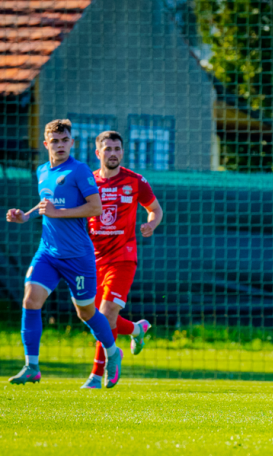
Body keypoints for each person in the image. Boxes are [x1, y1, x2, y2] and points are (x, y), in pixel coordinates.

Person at [5, 119, 123, 386]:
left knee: (85, 312)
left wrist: (60, 213)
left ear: (72, 143)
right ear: (46, 144)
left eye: (64, 140)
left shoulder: (79, 171)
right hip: (47, 252)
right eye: (54, 141)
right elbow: (47, 202)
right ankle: (32, 366)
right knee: (30, 300)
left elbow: (96, 208)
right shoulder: (41, 171)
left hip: (77, 256)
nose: (60, 145)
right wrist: (26, 215)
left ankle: (113, 353)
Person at [81, 131, 163, 389]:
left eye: (117, 148)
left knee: (105, 316)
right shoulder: (87, 182)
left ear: (122, 152)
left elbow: (155, 209)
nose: (113, 153)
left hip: (123, 258)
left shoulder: (135, 181)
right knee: (92, 317)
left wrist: (151, 224)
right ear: (98, 153)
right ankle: (137, 330)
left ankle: (97, 375)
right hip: (91, 260)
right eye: (107, 149)